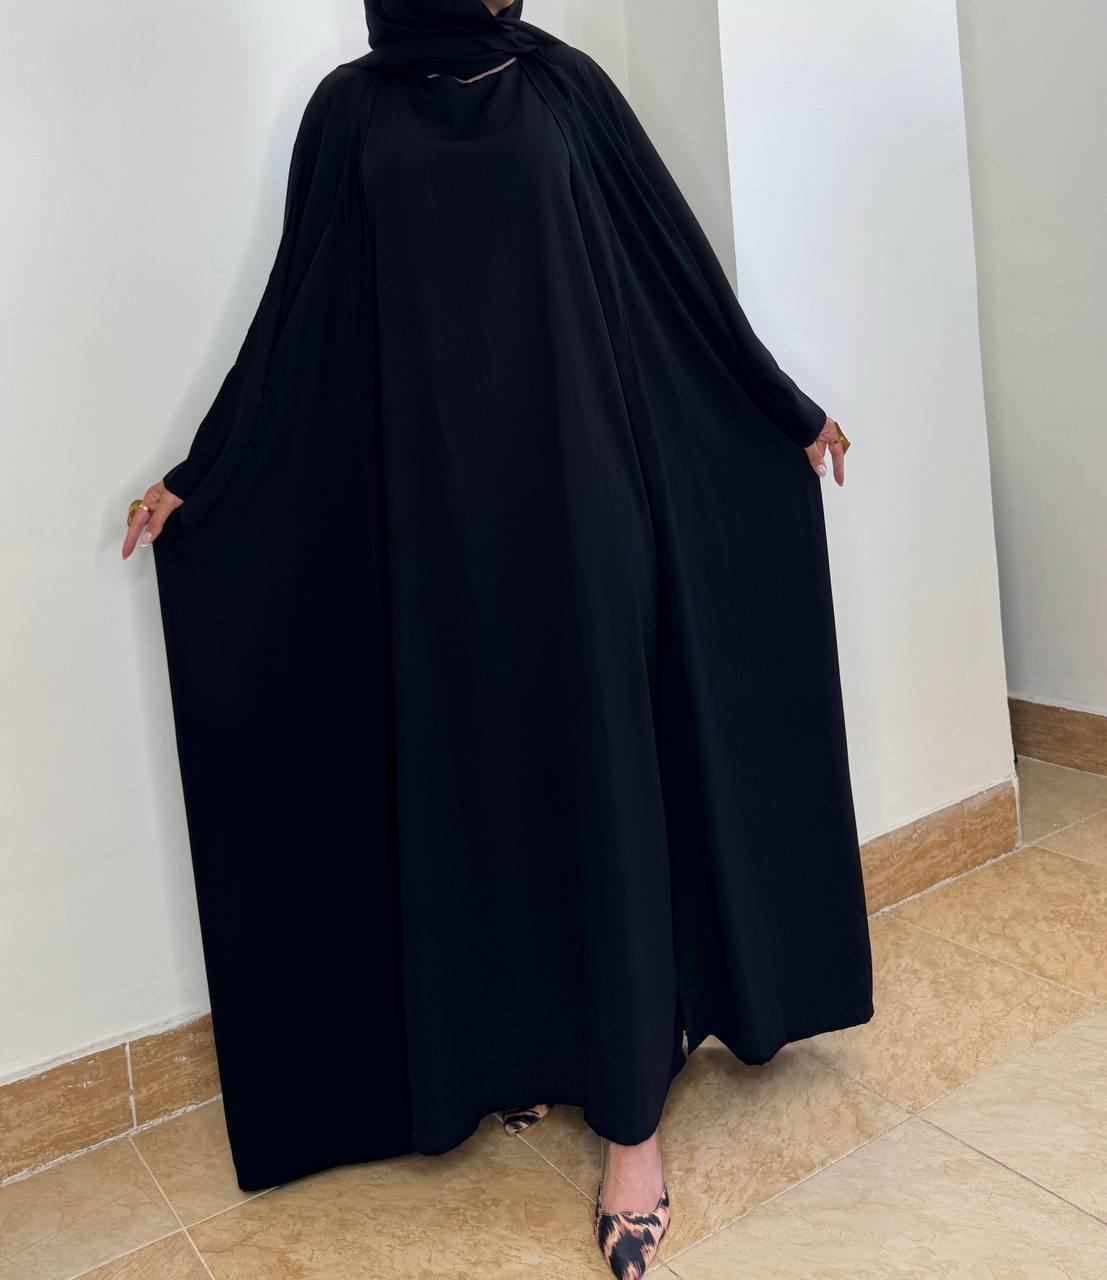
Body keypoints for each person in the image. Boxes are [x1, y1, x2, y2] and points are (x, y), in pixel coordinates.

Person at [123, 3, 873, 1276]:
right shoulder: (349, 111)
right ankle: (518, 1046)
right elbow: (296, 311)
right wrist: (206, 473)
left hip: (582, 504)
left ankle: (632, 1130)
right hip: (436, 524)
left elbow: (671, 259)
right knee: (479, 788)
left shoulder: (563, 89)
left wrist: (779, 404)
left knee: (606, 788)